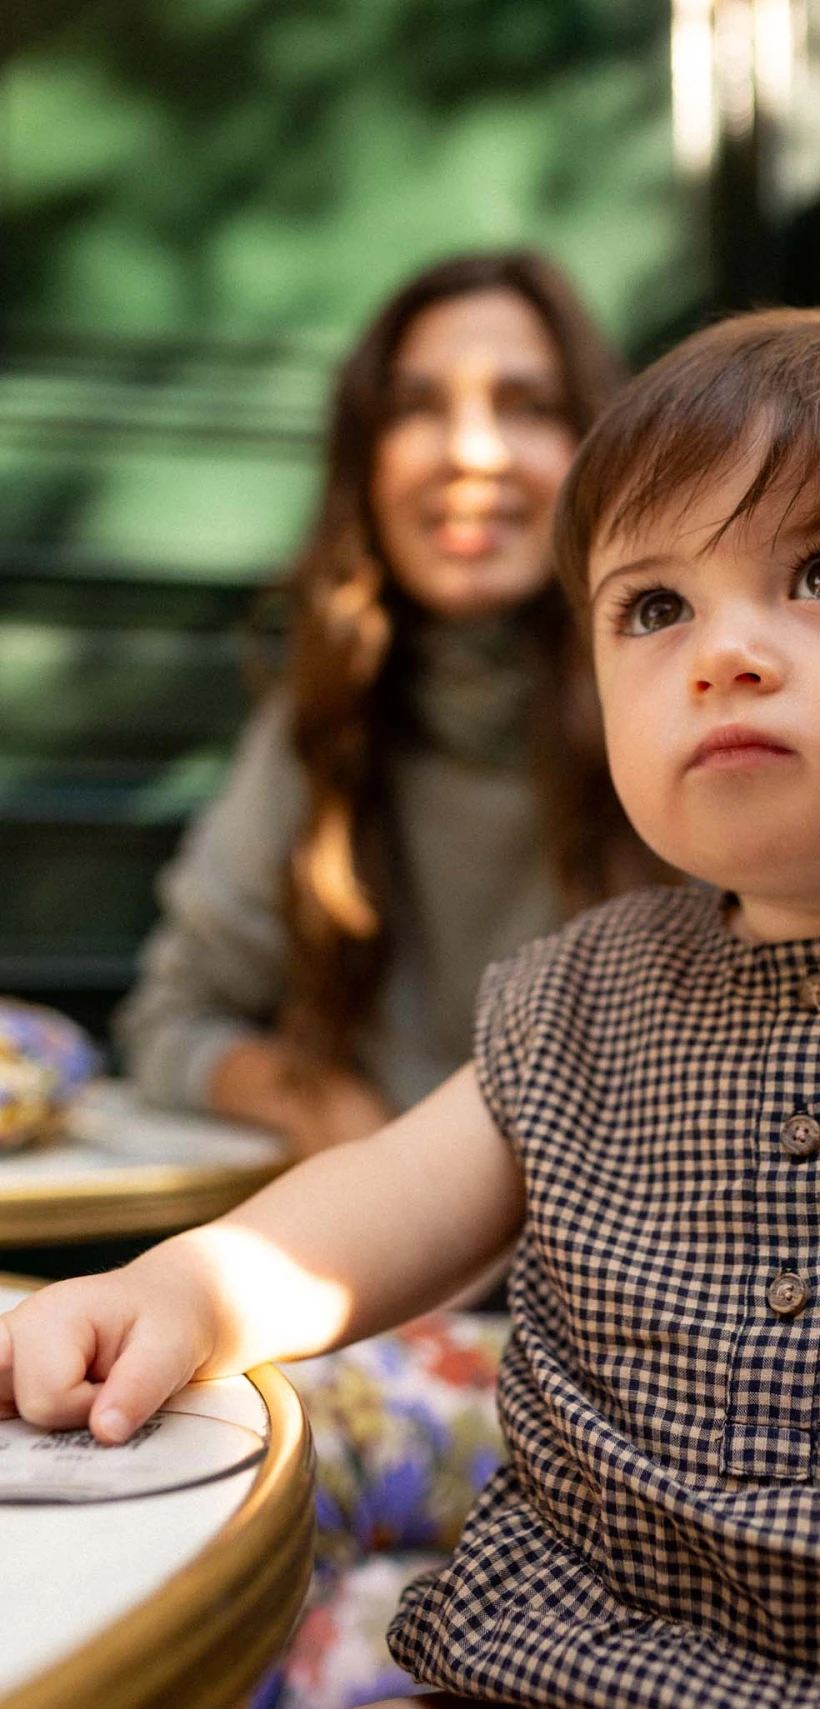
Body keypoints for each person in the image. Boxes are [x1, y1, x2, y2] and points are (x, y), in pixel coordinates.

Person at [4, 308, 820, 1709]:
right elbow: (366, 1211)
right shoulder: (582, 997)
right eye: (653, 609)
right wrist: (182, 1286)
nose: (725, 654)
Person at [115, 250, 654, 1158]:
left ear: (595, 450)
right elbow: (170, 1023)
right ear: (365, 465)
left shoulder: (687, 699)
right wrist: (340, 1122)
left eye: (528, 406)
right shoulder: (322, 722)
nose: (471, 453)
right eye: (416, 409)